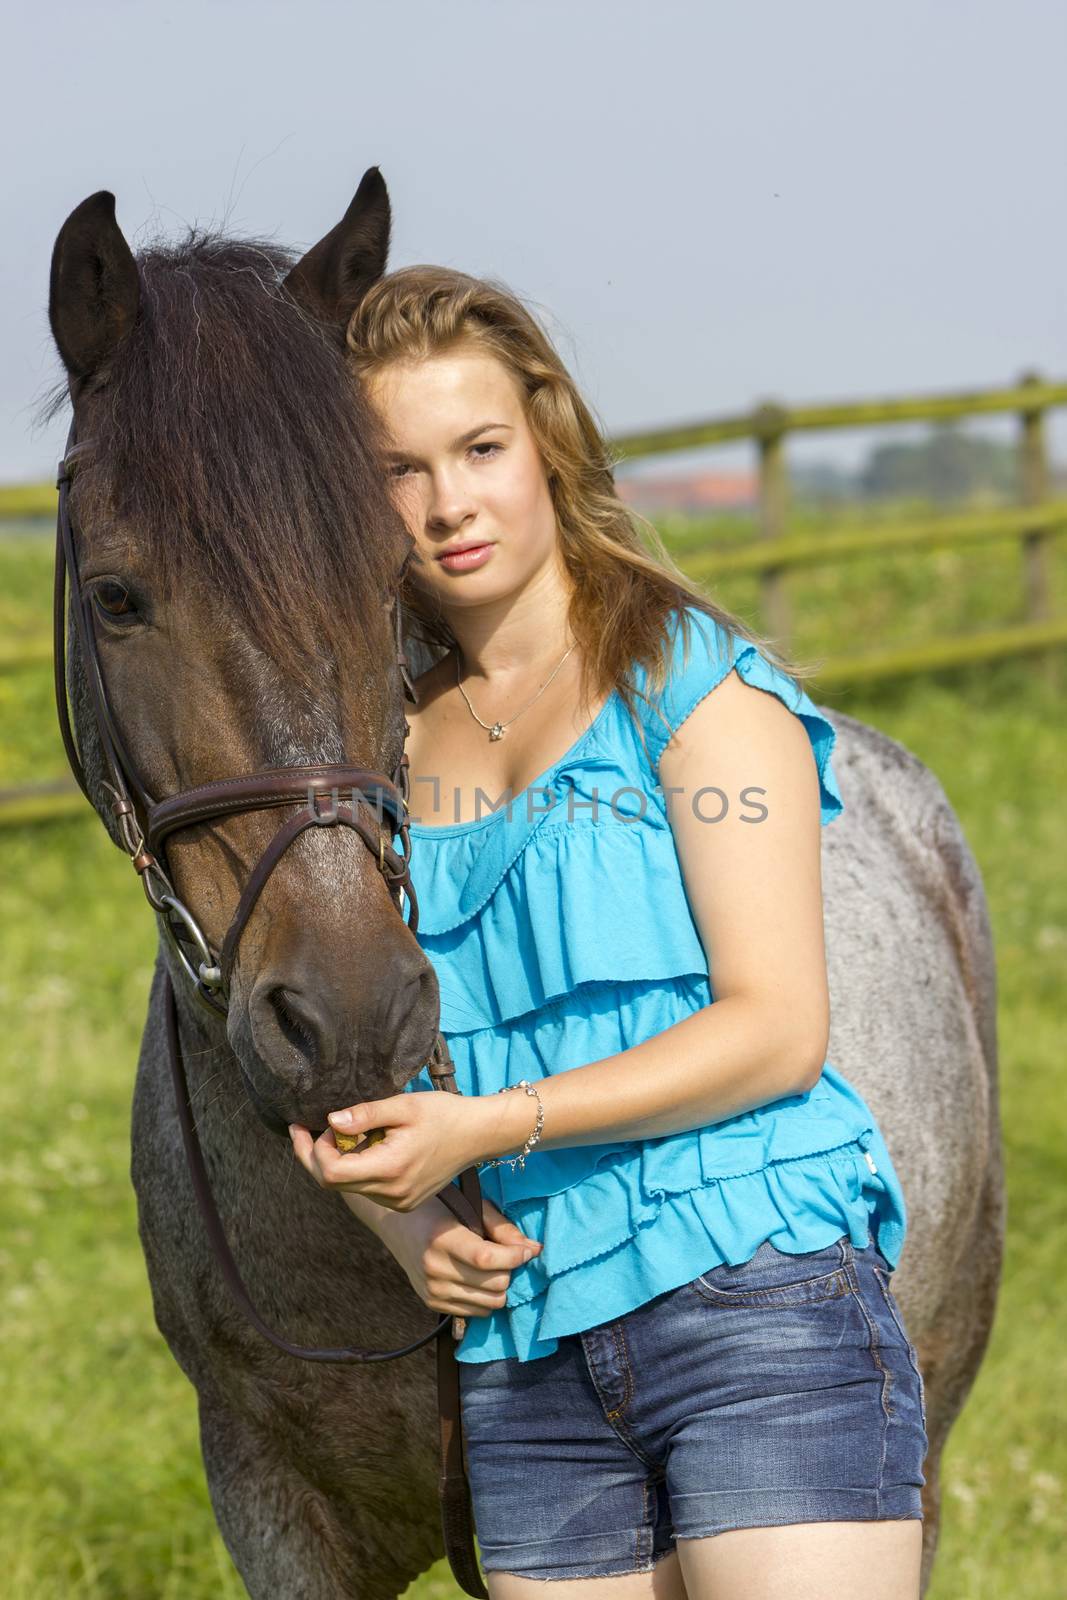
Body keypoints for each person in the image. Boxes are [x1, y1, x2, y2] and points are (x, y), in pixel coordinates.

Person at [289, 266, 928, 1599]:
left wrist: (489, 1125)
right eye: (399, 470)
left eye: (480, 450)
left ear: (549, 444)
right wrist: (405, 1231)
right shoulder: (378, 756)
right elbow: (340, 1071)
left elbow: (775, 1030)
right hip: (525, 1351)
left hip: (757, 1292)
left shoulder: (687, 685)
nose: (449, 502)